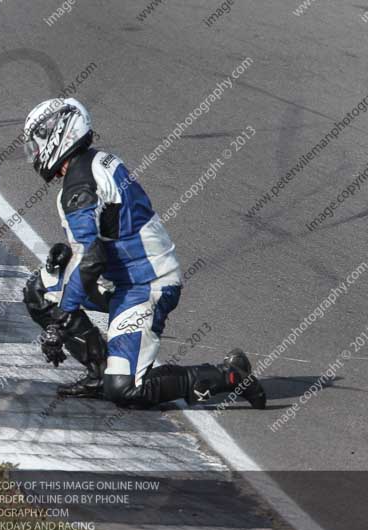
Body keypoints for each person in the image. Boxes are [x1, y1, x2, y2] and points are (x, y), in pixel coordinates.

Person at [21, 98, 266, 409]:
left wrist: (63, 317)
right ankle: (99, 373)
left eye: (38, 143)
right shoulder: (95, 163)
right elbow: (105, 237)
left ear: (58, 133)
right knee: (40, 291)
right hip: (122, 278)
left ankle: (228, 376)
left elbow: (92, 258)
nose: (35, 154)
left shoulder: (79, 185)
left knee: (125, 390)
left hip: (145, 286)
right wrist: (65, 252)